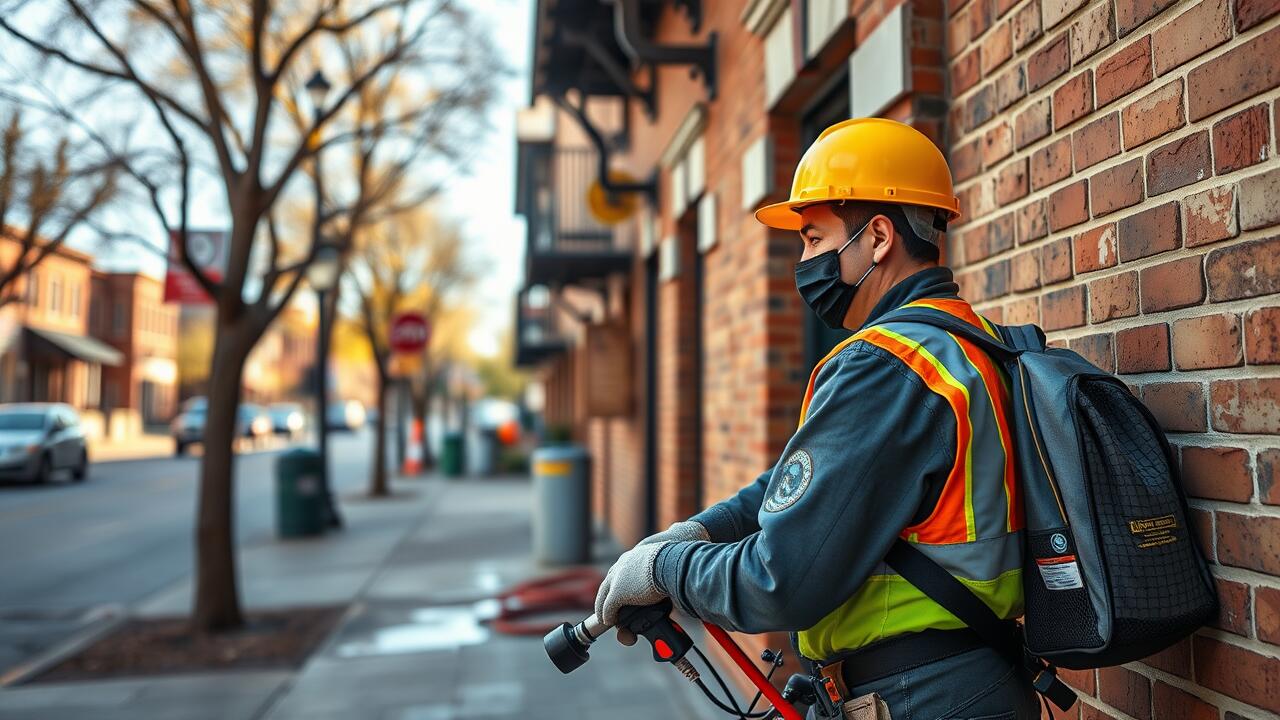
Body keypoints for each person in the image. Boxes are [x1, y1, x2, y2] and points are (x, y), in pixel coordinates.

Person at [594, 118, 1040, 718]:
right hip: (973, 676)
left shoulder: (884, 365)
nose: (803, 260)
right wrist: (695, 534)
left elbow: (782, 582)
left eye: (812, 238)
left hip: (919, 695)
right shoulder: (975, 345)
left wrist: (665, 568)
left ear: (878, 237)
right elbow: (797, 485)